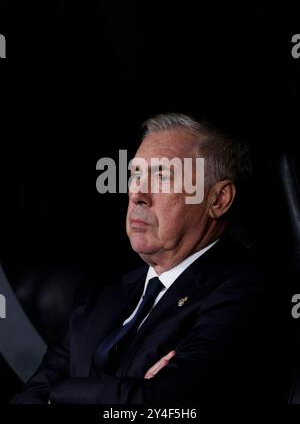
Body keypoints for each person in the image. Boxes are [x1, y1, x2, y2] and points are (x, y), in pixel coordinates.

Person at [12, 113, 283, 404]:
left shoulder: (248, 293)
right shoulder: (103, 290)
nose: (138, 194)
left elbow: (158, 404)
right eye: (136, 175)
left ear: (217, 200)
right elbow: (31, 394)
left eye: (163, 176)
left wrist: (59, 395)